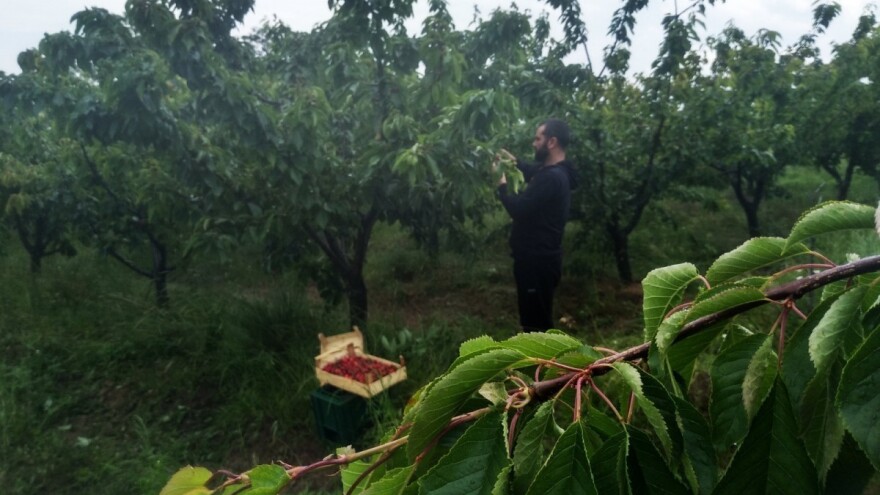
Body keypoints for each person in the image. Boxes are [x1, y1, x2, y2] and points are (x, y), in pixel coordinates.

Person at [495, 118, 579, 332]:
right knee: (536, 319)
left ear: (551, 142)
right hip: (542, 260)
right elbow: (533, 170)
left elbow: (519, 209)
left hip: (536, 262)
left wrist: (502, 187)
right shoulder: (557, 171)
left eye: (537, 138)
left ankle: (542, 364)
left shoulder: (551, 178)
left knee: (535, 325)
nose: (534, 143)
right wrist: (515, 163)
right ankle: (541, 363)